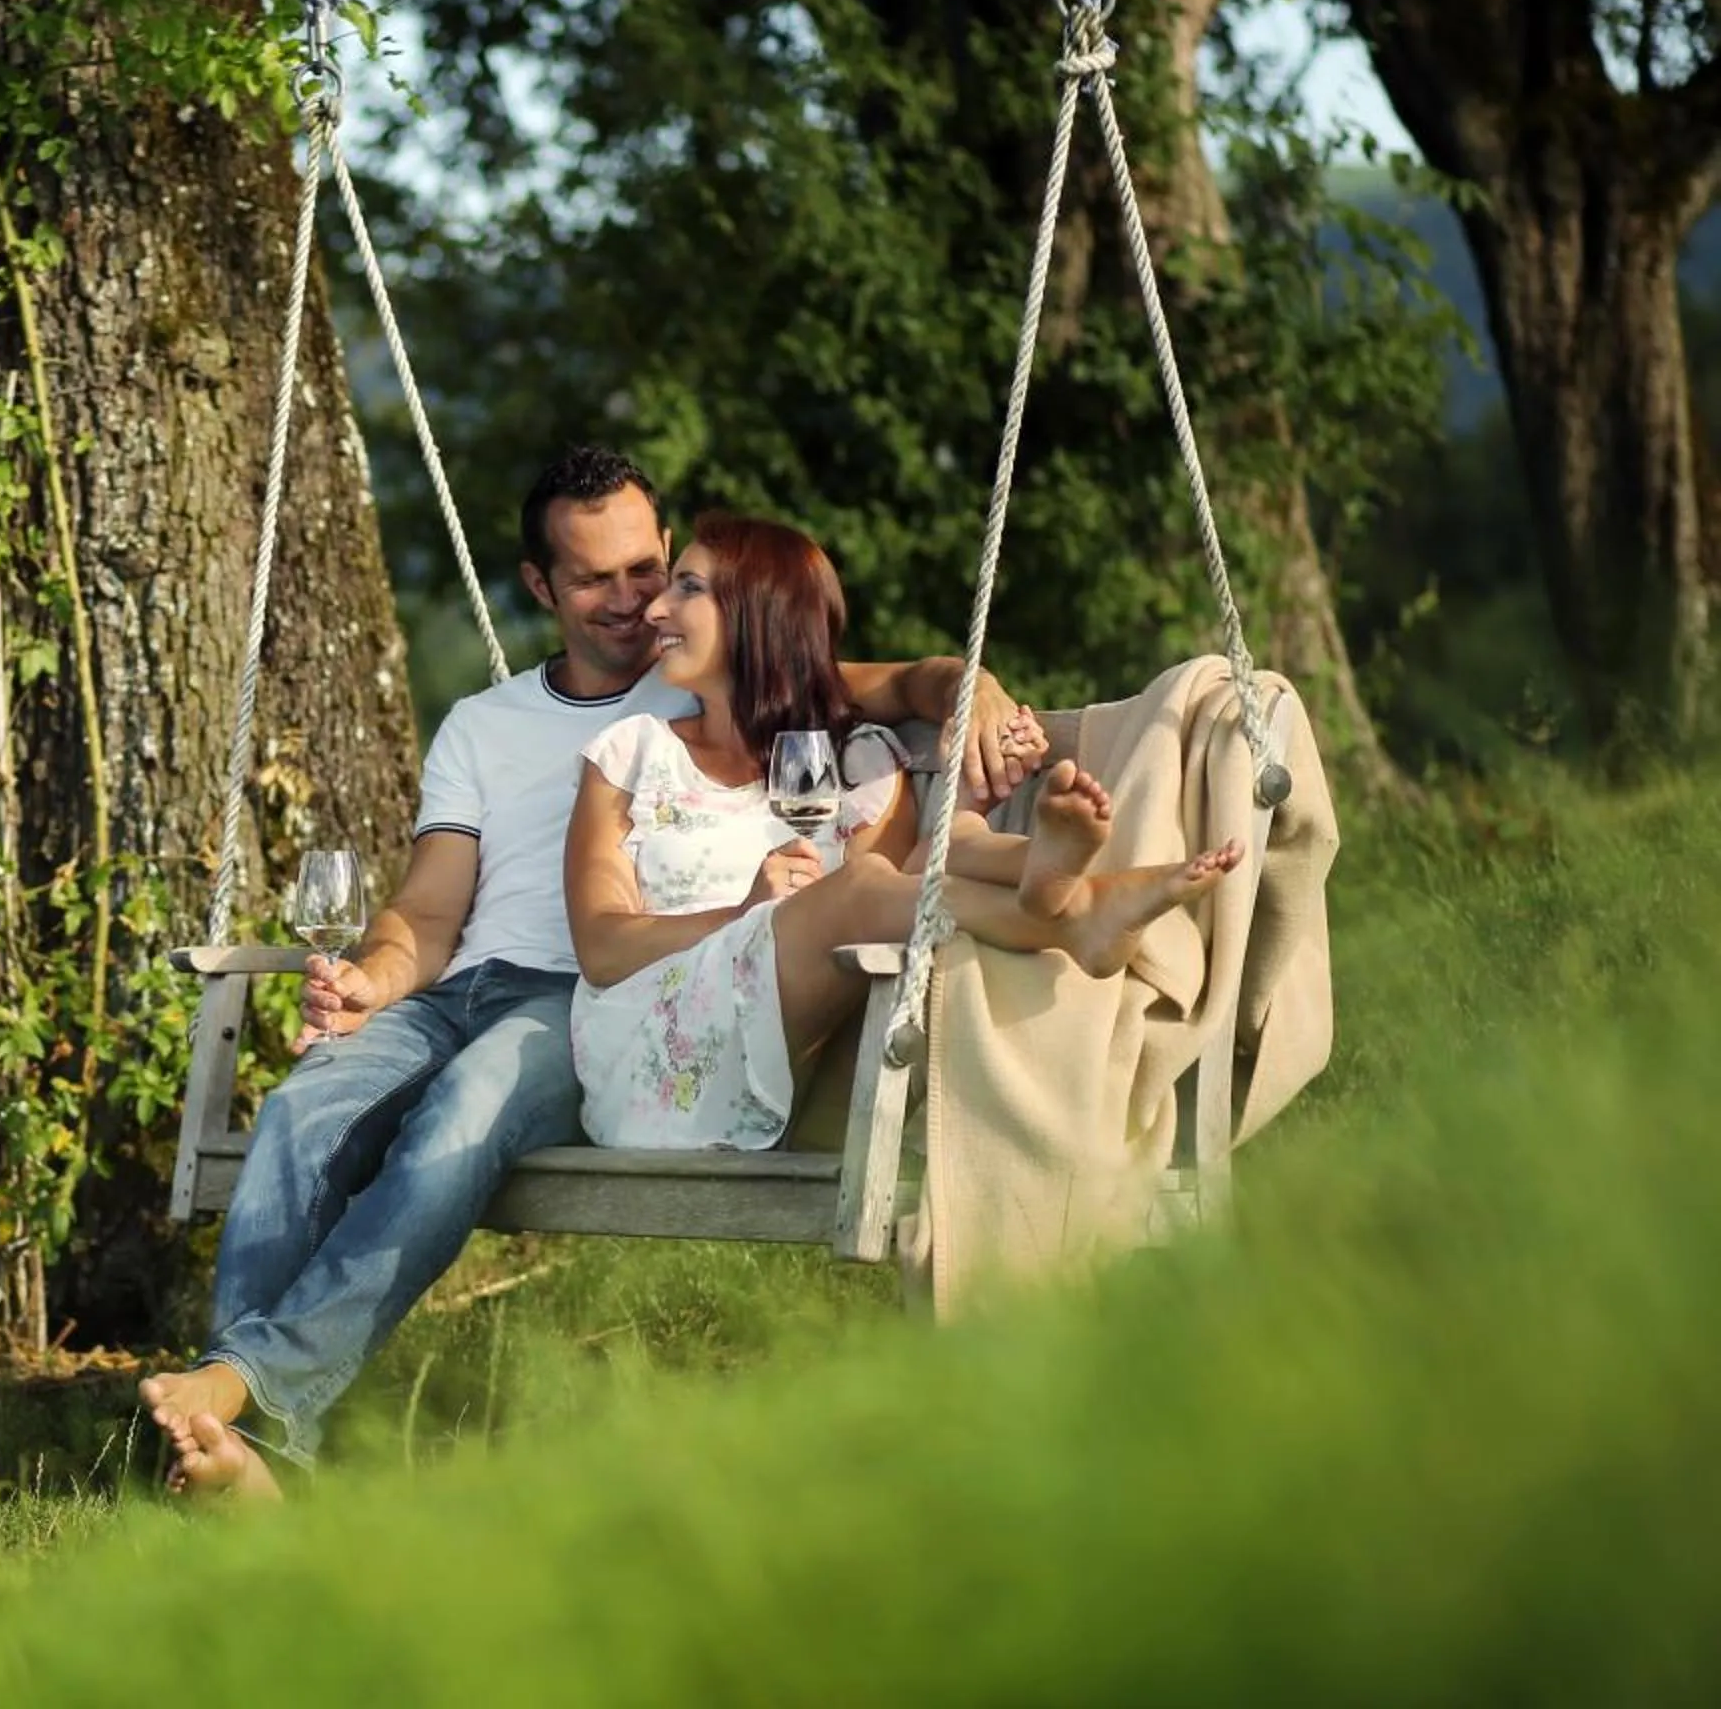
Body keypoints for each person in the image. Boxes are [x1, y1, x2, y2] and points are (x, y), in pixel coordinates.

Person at [140, 449, 1043, 1501]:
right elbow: (429, 910)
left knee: (458, 1122)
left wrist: (977, 688)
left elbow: (910, 681)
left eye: (649, 569)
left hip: (592, 1003)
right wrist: (374, 982)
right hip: (456, 988)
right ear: (539, 588)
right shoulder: (487, 723)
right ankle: (246, 1448)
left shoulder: (717, 671)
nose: (633, 600)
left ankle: (243, 1401)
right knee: (303, 1110)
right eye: (592, 579)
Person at [566, 513, 1245, 1152]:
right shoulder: (633, 754)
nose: (655, 609)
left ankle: (1056, 883)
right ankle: (1070, 909)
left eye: (688, 588)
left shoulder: (856, 763)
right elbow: (600, 947)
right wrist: (743, 915)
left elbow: (908, 896)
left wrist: (968, 786)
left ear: (757, 612)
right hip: (657, 1067)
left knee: (875, 885)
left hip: (799, 1066)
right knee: (862, 884)